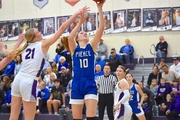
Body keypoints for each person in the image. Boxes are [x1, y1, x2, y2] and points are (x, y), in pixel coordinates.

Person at [0, 7, 87, 120]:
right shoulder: (42, 45)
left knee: (13, 116)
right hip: (29, 81)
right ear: (35, 37)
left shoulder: (24, 46)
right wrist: (75, 14)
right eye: (38, 32)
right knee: (29, 117)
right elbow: (61, 29)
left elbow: (8, 54)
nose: (40, 32)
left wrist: (2, 48)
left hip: (18, 79)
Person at [61, 1, 105, 120]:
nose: (84, 33)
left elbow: (101, 28)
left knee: (91, 117)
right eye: (81, 33)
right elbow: (70, 37)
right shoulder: (74, 48)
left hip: (90, 83)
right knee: (77, 118)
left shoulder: (92, 46)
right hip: (76, 83)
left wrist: (99, 8)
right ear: (78, 38)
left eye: (85, 33)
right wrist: (80, 22)